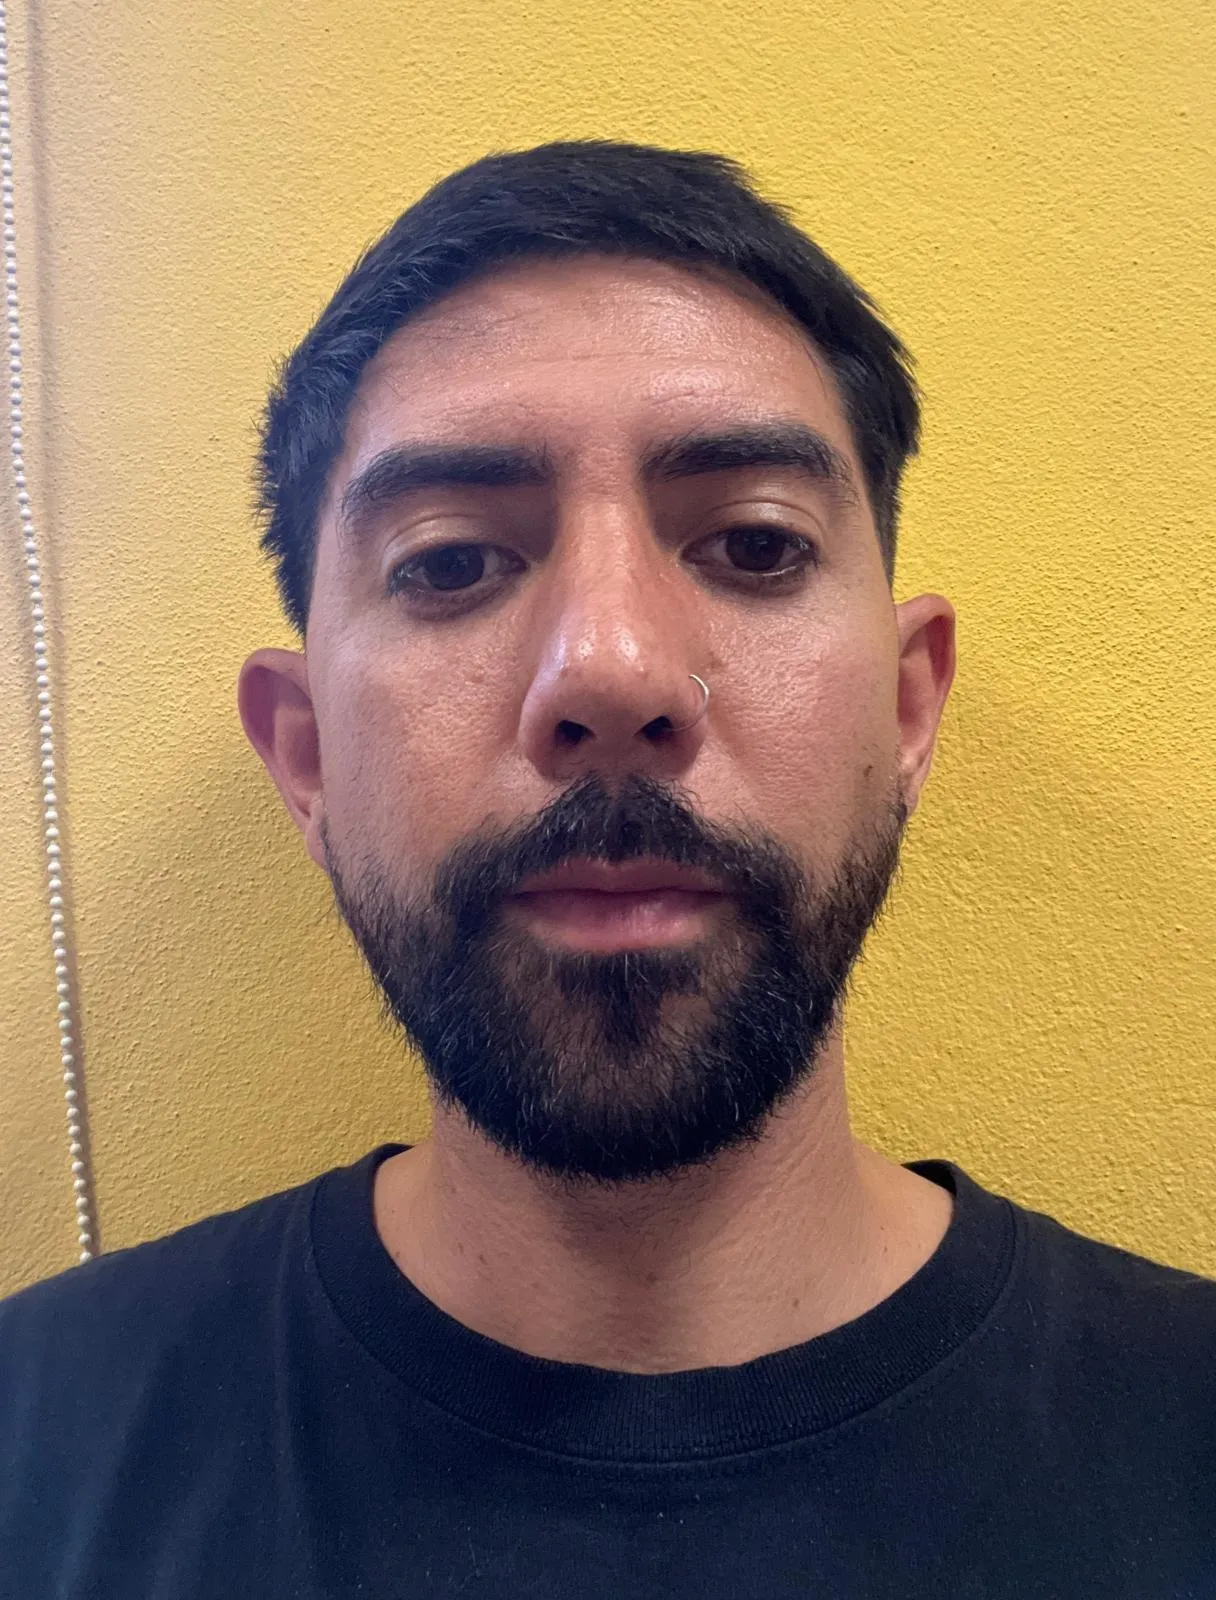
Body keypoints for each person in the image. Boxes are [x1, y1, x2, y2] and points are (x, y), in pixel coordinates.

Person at [1, 140, 1212, 1600]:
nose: (614, 671)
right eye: (451, 563)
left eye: (754, 544)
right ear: (307, 754)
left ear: (905, 711)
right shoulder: (33, 1451)